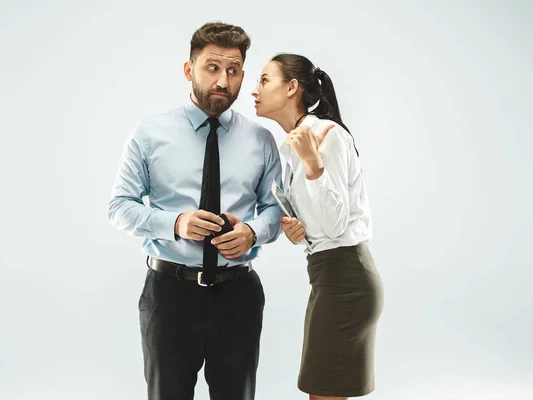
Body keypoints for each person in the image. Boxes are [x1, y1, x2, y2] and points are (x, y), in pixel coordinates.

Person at [108, 22, 283, 400]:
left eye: (234, 70)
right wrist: (175, 223)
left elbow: (274, 210)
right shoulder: (149, 134)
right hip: (169, 294)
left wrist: (252, 232)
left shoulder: (261, 140)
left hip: (238, 294)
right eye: (213, 67)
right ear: (189, 70)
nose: (224, 80)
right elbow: (119, 207)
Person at [251, 53, 384, 399]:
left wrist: (313, 166)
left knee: (324, 392)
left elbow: (337, 224)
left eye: (264, 80)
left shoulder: (327, 135)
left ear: (292, 87)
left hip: (346, 279)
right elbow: (323, 225)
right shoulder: (296, 144)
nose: (255, 90)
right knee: (321, 390)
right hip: (327, 276)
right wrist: (299, 231)